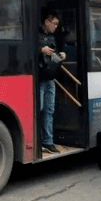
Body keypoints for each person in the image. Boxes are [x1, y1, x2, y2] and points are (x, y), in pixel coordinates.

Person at [38, 13, 66, 154]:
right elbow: (25, 49)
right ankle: (38, 140)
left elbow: (55, 51)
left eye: (57, 24)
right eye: (54, 23)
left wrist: (61, 55)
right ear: (46, 22)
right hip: (39, 78)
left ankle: (48, 142)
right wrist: (40, 50)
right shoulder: (36, 34)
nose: (55, 27)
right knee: (40, 108)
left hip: (50, 77)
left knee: (49, 110)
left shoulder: (53, 37)